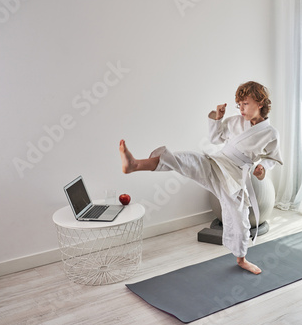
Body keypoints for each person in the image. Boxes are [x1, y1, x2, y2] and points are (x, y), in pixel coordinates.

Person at [119, 81, 282, 274]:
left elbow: (272, 158)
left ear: (260, 102)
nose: (241, 108)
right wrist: (217, 118)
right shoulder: (236, 121)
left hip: (235, 176)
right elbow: (215, 139)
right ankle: (135, 164)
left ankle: (242, 259)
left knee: (240, 219)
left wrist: (262, 168)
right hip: (217, 162)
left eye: (245, 103)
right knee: (186, 159)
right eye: (239, 104)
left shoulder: (270, 133)